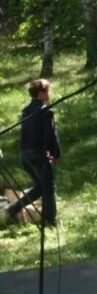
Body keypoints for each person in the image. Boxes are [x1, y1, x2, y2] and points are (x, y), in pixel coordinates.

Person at [1, 80, 61, 227]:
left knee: (40, 187)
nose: (49, 94)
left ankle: (12, 209)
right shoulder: (45, 111)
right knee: (48, 187)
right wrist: (56, 153)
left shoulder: (26, 110)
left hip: (25, 155)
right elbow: (50, 135)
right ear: (41, 94)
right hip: (38, 155)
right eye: (47, 91)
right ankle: (49, 220)